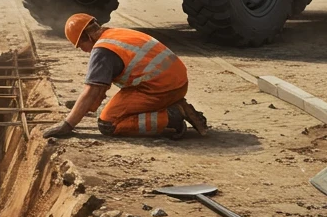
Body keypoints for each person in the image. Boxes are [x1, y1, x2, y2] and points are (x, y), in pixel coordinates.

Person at [41, 14, 208, 140]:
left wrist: (68, 125)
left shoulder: (102, 51)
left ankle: (172, 116)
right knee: (109, 110)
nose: (82, 50)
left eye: (80, 45)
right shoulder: (114, 34)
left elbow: (92, 90)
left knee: (108, 124)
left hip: (160, 89)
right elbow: (99, 90)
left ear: (88, 37)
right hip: (178, 83)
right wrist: (84, 107)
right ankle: (173, 104)